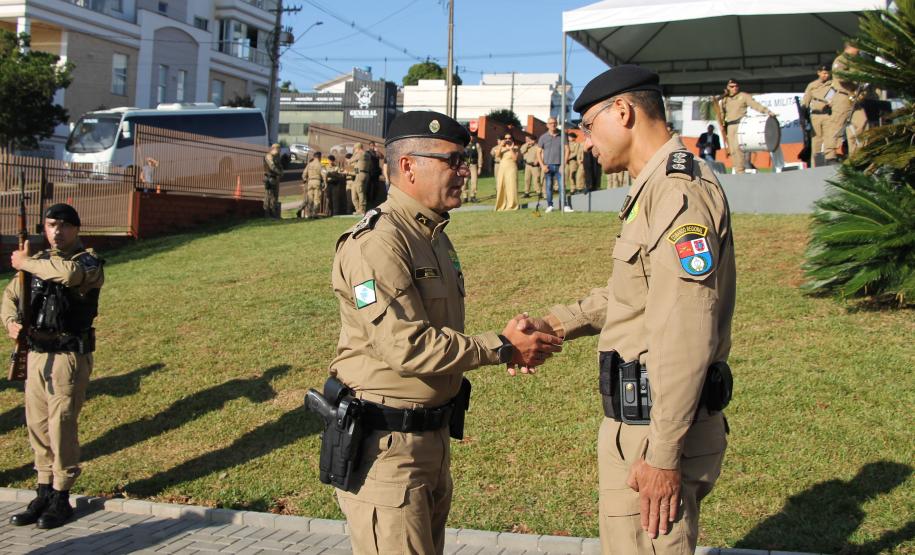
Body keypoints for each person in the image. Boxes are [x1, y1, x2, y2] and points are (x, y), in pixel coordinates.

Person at [521, 65, 735, 555]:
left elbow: (686, 332)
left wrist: (662, 458)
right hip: (640, 427)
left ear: (623, 111)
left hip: (654, 433)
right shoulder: (653, 188)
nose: (587, 143)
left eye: (590, 127)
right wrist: (553, 324)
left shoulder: (678, 193)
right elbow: (632, 293)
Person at [327, 110, 562, 555]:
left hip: (427, 442)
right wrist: (504, 348)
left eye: (465, 159)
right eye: (452, 160)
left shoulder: (431, 233)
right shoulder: (377, 243)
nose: (464, 170)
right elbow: (407, 346)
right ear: (409, 166)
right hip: (388, 451)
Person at [1, 204, 104, 530]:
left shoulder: (87, 262)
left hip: (68, 356)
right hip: (35, 354)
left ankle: (62, 494)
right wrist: (10, 323)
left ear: (76, 228)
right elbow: (10, 296)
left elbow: (69, 276)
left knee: (61, 425)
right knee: (37, 425)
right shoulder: (36, 261)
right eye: (50, 225)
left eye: (63, 225)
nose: (56, 232)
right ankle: (43, 489)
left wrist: (25, 262)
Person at [719, 79, 776, 173]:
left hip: (740, 124)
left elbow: (755, 105)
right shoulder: (725, 99)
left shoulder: (743, 96)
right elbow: (721, 113)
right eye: (732, 86)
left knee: (738, 148)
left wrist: (767, 111)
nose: (734, 88)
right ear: (727, 88)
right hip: (730, 126)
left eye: (736, 86)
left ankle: (740, 171)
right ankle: (737, 169)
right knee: (732, 150)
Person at [824, 43, 867, 163]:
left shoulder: (856, 61)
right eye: (857, 47)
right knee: (836, 125)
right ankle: (830, 155)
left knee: (861, 122)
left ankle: (857, 153)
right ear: (850, 47)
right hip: (842, 97)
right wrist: (856, 76)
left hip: (854, 97)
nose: (859, 50)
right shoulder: (841, 60)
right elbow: (841, 76)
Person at [801, 65, 833, 167]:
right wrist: (802, 115)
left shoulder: (832, 84)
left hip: (828, 115)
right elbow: (805, 101)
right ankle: (815, 165)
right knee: (816, 142)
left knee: (829, 140)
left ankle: (829, 161)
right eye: (823, 73)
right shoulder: (812, 85)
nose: (825, 75)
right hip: (815, 116)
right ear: (818, 73)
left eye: (827, 73)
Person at [538, 117, 570, 213]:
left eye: (555, 123)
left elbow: (567, 149)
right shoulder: (543, 137)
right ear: (547, 125)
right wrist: (542, 166)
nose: (553, 124)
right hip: (548, 166)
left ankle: (564, 206)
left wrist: (563, 164)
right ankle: (550, 205)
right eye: (551, 123)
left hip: (559, 165)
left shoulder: (562, 135)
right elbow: (538, 152)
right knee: (548, 186)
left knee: (562, 186)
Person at [494, 133, 520, 211]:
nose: (508, 140)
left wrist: (510, 149)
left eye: (509, 138)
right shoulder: (501, 148)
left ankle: (512, 205)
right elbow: (497, 155)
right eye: (506, 138)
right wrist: (501, 145)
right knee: (501, 186)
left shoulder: (515, 148)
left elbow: (515, 159)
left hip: (511, 168)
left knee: (511, 186)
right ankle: (501, 205)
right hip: (502, 168)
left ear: (512, 139)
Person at [297, 151, 325, 219]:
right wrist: (325, 182)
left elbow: (304, 174)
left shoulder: (309, 164)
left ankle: (309, 214)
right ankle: (314, 213)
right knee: (317, 199)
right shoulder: (320, 165)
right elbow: (324, 175)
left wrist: (305, 180)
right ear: (320, 157)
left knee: (310, 199)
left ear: (314, 157)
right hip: (317, 182)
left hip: (310, 182)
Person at [263, 143, 283, 218]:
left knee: (275, 197)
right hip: (269, 178)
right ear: (275, 148)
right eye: (279, 149)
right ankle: (267, 214)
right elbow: (272, 166)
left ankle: (274, 214)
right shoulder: (269, 156)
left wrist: (281, 171)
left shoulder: (277, 157)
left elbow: (280, 165)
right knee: (268, 196)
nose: (280, 151)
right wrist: (279, 172)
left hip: (275, 178)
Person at [462, 134, 483, 203]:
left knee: (474, 181)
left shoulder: (477, 145)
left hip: (474, 165)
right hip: (465, 164)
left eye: (473, 136)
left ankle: (473, 196)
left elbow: (480, 156)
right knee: (464, 181)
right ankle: (465, 197)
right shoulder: (464, 144)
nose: (471, 137)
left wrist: (480, 167)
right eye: (470, 136)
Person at [520, 134, 542, 198]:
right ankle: (526, 192)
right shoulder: (526, 146)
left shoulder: (538, 146)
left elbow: (541, 154)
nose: (529, 141)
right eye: (528, 140)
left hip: (535, 166)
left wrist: (537, 160)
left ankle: (539, 192)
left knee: (536, 179)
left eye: (531, 140)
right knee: (527, 179)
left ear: (534, 140)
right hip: (528, 165)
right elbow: (522, 151)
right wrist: (527, 144)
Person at [350, 143, 369, 214]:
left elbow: (350, 161)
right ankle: (358, 209)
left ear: (357, 148)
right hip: (362, 174)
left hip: (360, 175)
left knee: (360, 192)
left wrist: (354, 154)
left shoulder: (361, 154)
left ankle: (362, 209)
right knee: (354, 192)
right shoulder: (367, 154)